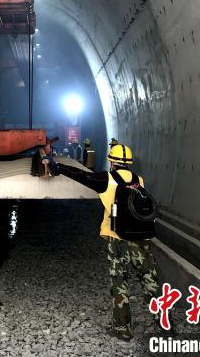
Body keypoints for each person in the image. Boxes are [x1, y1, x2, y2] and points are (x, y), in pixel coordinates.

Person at [49, 144, 163, 340]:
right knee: (151, 282)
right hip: (140, 240)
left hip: (117, 239)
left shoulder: (106, 180)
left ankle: (122, 329)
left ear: (112, 161)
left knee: (120, 285)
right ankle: (165, 325)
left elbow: (81, 175)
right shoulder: (139, 180)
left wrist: (57, 167)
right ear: (129, 164)